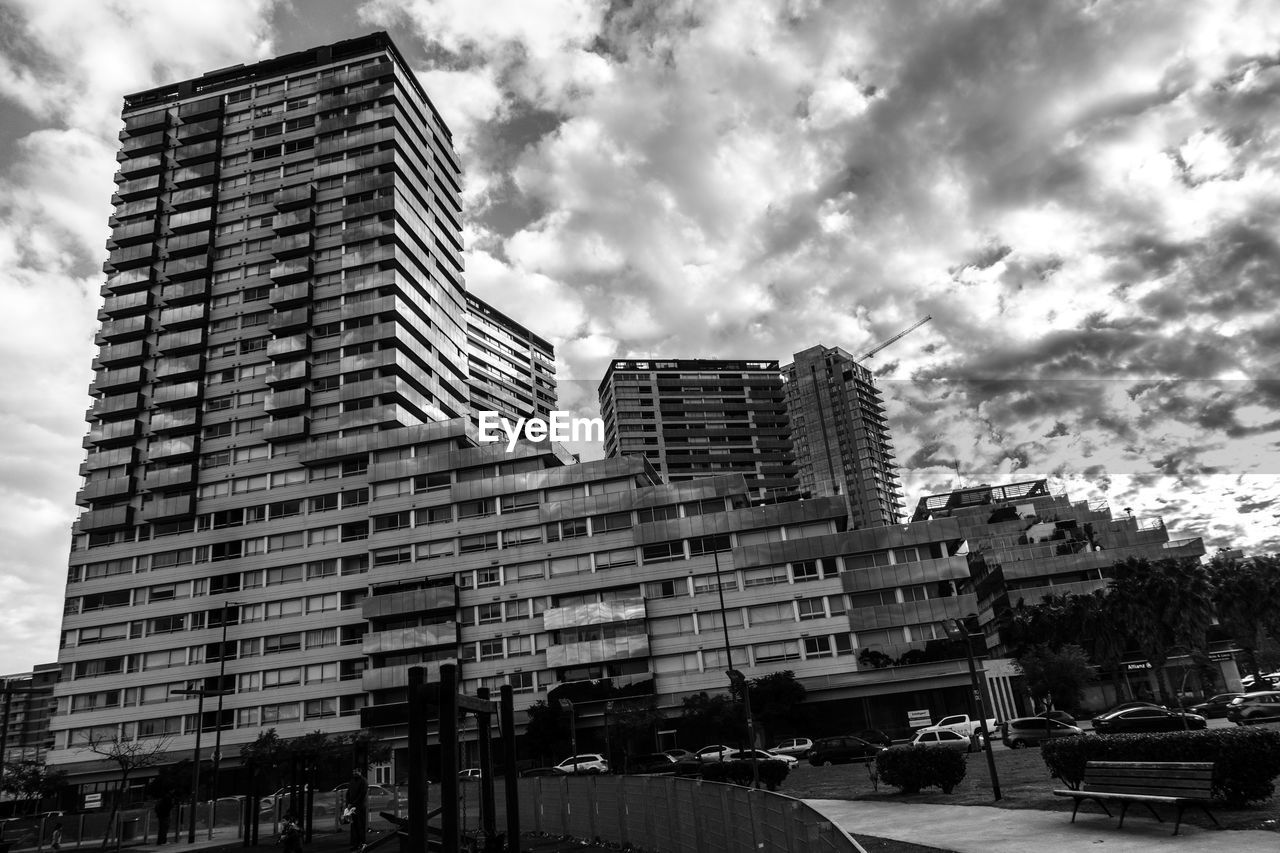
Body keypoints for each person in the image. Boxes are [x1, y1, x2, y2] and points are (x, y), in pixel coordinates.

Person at [344, 771, 368, 852]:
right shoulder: (352, 781)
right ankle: (357, 844)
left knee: (360, 825)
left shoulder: (363, 781)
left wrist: (351, 803)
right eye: (354, 771)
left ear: (360, 772)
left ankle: (362, 843)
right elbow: (348, 793)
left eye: (356, 771)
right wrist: (348, 803)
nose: (354, 773)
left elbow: (362, 794)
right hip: (353, 807)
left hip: (359, 807)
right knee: (355, 826)